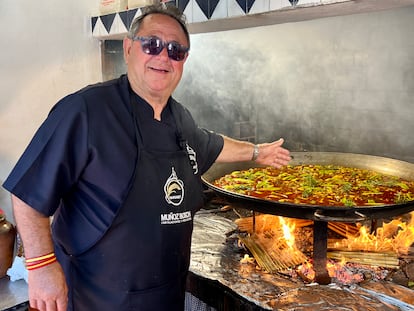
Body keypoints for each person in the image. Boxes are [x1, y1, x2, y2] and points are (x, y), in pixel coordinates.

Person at [3, 3, 291, 311]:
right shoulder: (85, 111)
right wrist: (42, 266)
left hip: (166, 291)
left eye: (175, 50)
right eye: (152, 44)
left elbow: (213, 144)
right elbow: (29, 195)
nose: (163, 56)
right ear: (128, 49)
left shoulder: (180, 119)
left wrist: (259, 152)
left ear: (184, 60)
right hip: (97, 295)